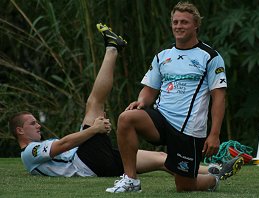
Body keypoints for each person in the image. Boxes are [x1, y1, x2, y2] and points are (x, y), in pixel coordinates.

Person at [106, 2, 244, 193]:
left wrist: (214, 134)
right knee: (126, 118)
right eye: (175, 22)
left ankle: (213, 178)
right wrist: (142, 101)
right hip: (161, 119)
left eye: (184, 22)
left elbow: (219, 98)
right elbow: (149, 90)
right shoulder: (163, 56)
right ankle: (131, 180)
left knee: (185, 187)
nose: (179, 26)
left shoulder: (211, 56)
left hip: (188, 130)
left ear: (196, 25)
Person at [9, 23, 170, 177]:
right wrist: (94, 129)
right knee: (94, 102)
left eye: (36, 122)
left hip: (96, 161)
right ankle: (112, 48)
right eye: (32, 123)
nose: (38, 125)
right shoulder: (30, 152)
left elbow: (68, 149)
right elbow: (64, 144)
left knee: (162, 158)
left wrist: (94, 128)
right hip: (88, 162)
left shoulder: (34, 151)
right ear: (20, 131)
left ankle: (192, 176)